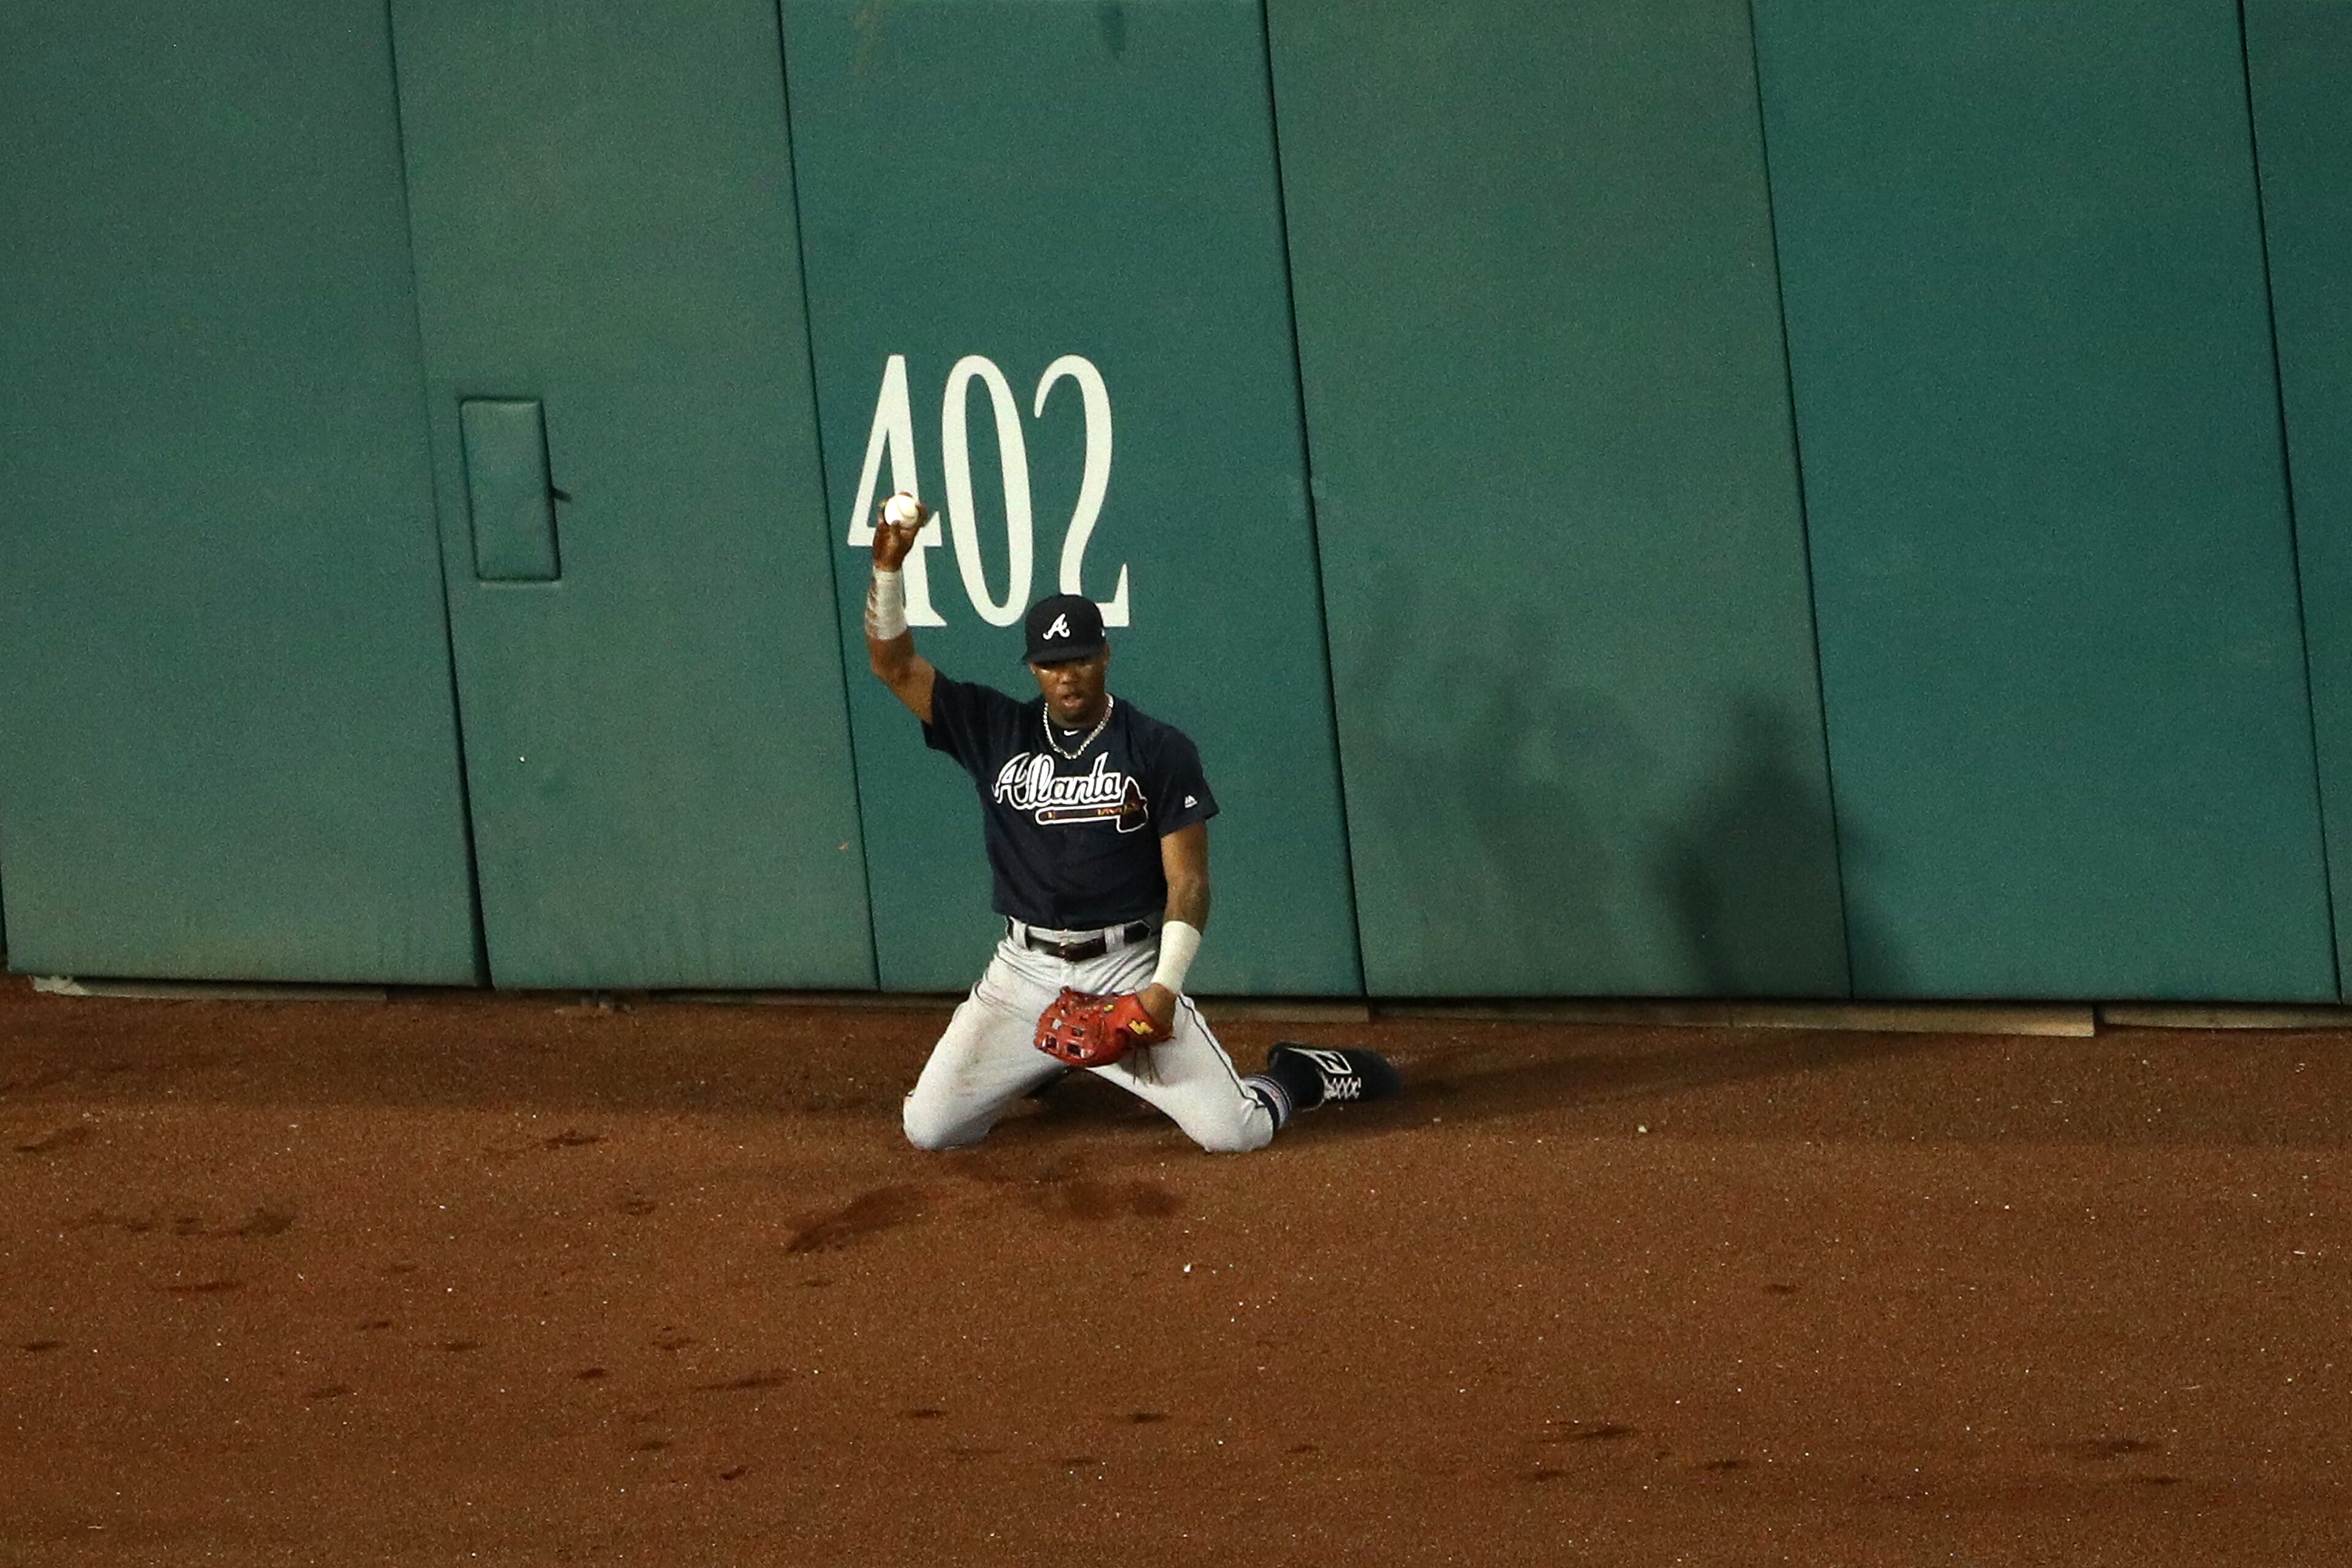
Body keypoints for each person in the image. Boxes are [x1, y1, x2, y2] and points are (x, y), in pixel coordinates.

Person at [862, 497, 1396, 1153]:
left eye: (1081, 658)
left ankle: (1296, 1077)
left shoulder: (1157, 746)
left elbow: (1190, 882)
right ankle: (1049, 1058)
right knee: (930, 1128)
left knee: (1235, 1132)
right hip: (1022, 975)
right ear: (1033, 668)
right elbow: (894, 666)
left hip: (1127, 966)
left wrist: (1162, 990)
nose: (1068, 676)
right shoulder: (994, 727)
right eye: (1054, 664)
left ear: (1106, 655)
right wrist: (888, 570)